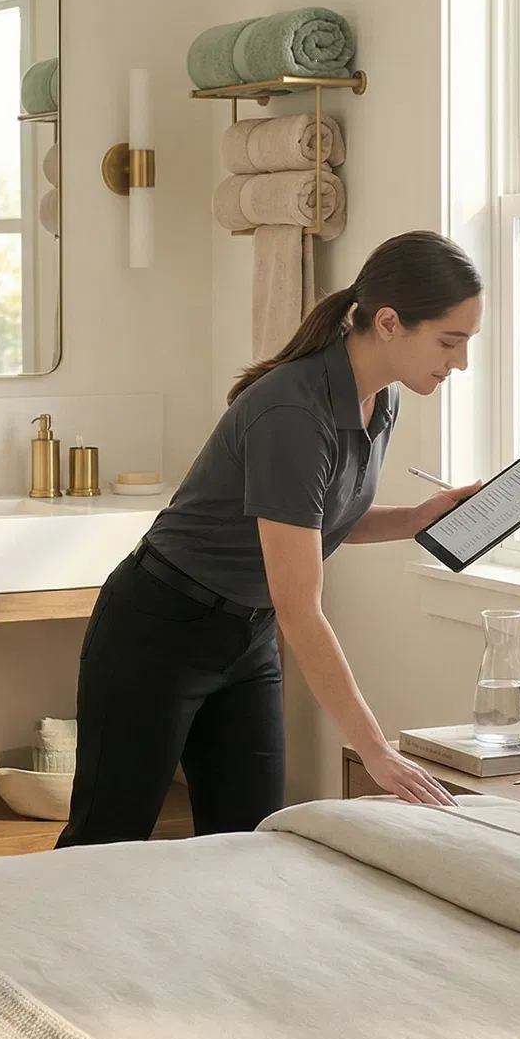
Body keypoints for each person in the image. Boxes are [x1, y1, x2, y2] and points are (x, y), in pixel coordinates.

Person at [56, 229, 484, 848]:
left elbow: (314, 524)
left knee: (249, 843)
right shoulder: (293, 412)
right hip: (158, 629)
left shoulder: (378, 402)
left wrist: (418, 517)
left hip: (245, 635)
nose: (460, 362)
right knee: (107, 837)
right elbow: (302, 610)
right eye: (450, 342)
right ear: (389, 322)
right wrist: (376, 753)